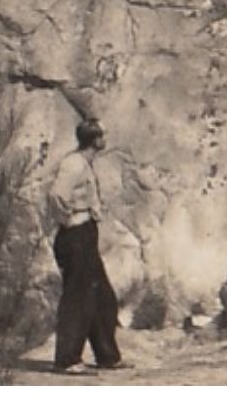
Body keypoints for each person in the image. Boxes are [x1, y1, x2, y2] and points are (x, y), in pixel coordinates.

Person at [48, 116, 128, 375]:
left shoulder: (84, 162)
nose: (105, 139)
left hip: (85, 234)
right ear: (96, 140)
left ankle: (108, 356)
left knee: (102, 296)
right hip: (76, 235)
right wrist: (69, 219)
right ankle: (67, 359)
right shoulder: (73, 164)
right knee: (77, 297)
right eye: (102, 135)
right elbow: (57, 195)